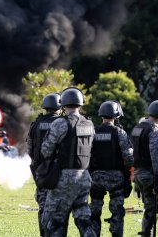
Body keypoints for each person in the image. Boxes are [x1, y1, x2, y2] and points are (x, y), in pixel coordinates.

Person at [40, 87, 96, 237]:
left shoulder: (60, 123)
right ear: (80, 103)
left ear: (63, 104)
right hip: (84, 177)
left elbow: (45, 150)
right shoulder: (89, 124)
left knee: (56, 219)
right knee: (83, 216)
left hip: (64, 178)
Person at [89, 100, 134, 237]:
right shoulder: (120, 132)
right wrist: (127, 173)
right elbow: (128, 157)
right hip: (116, 179)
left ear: (101, 115)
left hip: (96, 178)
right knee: (117, 211)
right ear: (116, 116)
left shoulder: (92, 132)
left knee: (94, 212)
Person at [131, 99, 158, 237]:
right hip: (149, 174)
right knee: (152, 209)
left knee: (148, 207)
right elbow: (156, 158)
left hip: (137, 174)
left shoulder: (137, 128)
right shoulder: (155, 131)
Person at [26, 93, 62, 235]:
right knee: (59, 208)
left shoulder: (35, 125)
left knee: (43, 206)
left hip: (41, 171)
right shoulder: (63, 122)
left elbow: (29, 149)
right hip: (59, 171)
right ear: (59, 106)